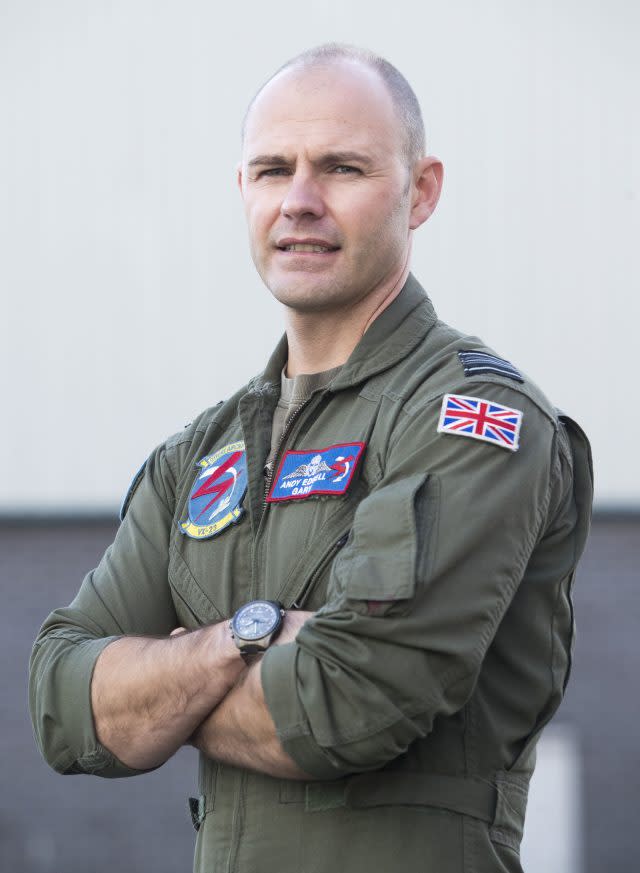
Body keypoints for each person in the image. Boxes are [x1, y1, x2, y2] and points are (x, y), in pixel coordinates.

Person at [29, 44, 593, 873]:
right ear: (242, 192)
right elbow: (60, 702)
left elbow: (349, 702)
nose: (299, 201)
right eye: (271, 170)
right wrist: (248, 641)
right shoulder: (200, 454)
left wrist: (163, 682)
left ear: (421, 190)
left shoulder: (476, 419)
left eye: (341, 168)